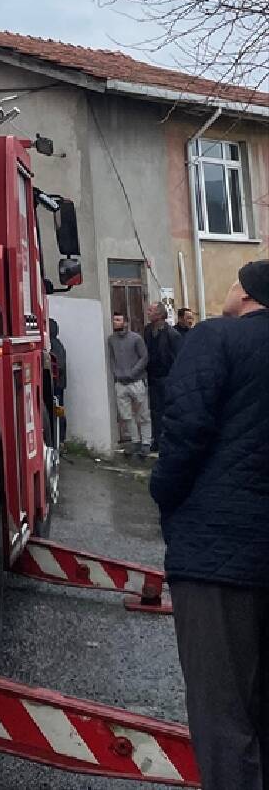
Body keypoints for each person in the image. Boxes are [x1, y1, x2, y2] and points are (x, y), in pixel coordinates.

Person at [150, 259, 269, 790]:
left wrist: (165, 497)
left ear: (244, 293)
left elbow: (185, 429)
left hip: (219, 558)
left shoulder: (216, 339)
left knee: (223, 717)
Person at [107, 310, 151, 457]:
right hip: (120, 382)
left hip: (137, 381)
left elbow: (144, 357)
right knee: (126, 415)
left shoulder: (136, 339)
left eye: (119, 320)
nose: (115, 322)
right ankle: (135, 441)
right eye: (114, 320)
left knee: (143, 414)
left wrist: (133, 372)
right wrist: (116, 373)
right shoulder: (111, 340)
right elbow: (112, 359)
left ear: (125, 322)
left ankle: (146, 442)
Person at [144, 302, 182, 454]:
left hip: (167, 377)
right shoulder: (147, 331)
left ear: (159, 314)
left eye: (151, 310)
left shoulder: (172, 334)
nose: (148, 312)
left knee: (168, 410)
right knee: (155, 410)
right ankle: (157, 440)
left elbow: (178, 358)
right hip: (152, 377)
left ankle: (169, 441)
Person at [49, 317, 68, 444]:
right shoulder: (57, 344)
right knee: (59, 411)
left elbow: (59, 365)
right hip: (58, 385)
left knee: (58, 411)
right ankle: (60, 438)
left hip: (57, 385)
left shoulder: (54, 345)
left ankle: (60, 438)